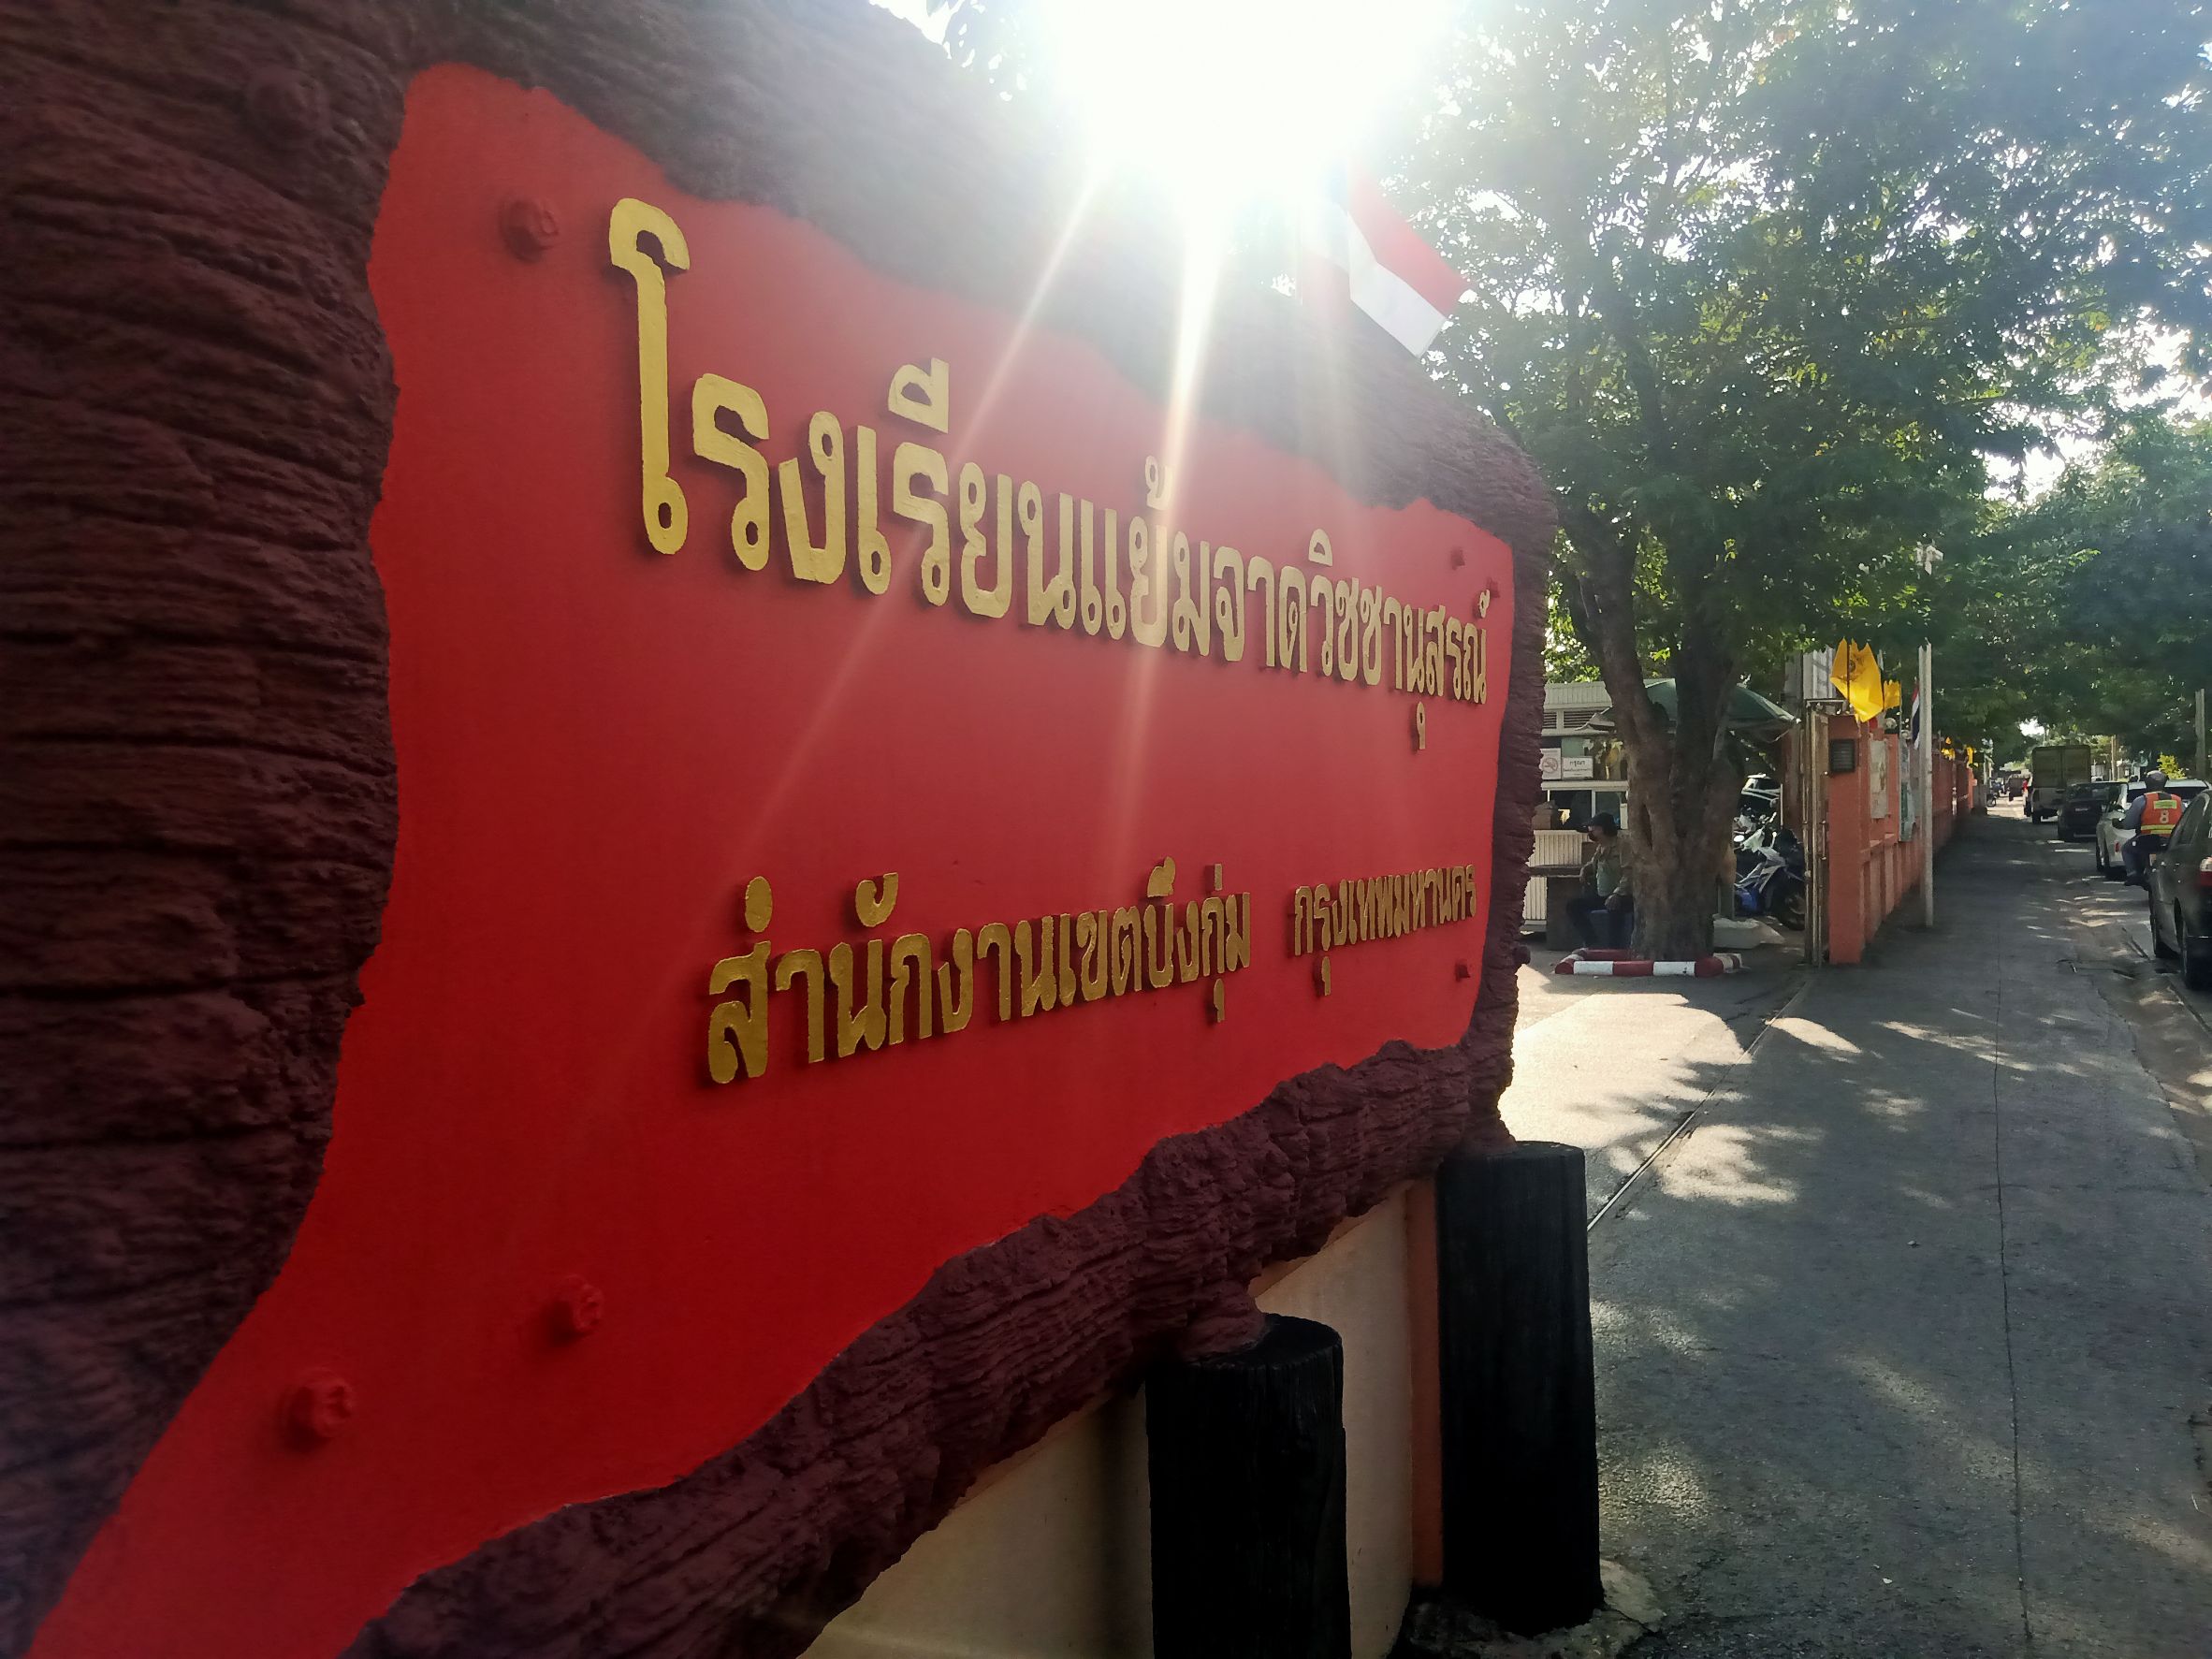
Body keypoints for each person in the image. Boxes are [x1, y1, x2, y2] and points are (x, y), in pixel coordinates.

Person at [1565, 814, 1633, 948]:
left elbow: (1629, 872)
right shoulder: (1601, 847)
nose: (1590, 832)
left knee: (1614, 909)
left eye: (1593, 829)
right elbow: (1595, 863)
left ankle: (1614, 949)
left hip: (1622, 895)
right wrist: (1585, 869)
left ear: (1601, 829)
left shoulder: (1623, 845)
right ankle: (1592, 942)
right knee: (1573, 906)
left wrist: (1618, 893)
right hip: (1602, 894)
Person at [2118, 768, 2185, 883]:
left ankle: (2133, 875)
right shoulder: (2178, 800)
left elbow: (2128, 824)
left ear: (2147, 783)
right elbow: (2186, 820)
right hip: (2172, 840)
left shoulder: (2141, 801)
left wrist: (2120, 823)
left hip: (2147, 840)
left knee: (2126, 849)